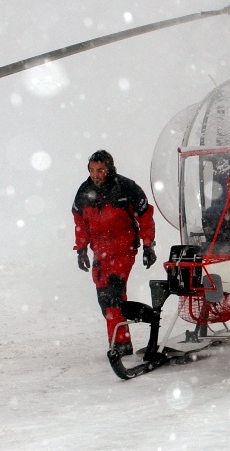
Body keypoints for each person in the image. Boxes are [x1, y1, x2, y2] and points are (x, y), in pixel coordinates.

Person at [72, 150, 157, 355]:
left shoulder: (127, 188)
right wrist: (81, 249)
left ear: (109, 169)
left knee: (114, 293)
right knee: (104, 298)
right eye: (92, 170)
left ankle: (119, 345)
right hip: (100, 254)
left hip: (123, 250)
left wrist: (148, 246)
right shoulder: (84, 193)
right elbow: (80, 223)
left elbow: (145, 217)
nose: (96, 175)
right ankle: (122, 340)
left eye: (100, 170)